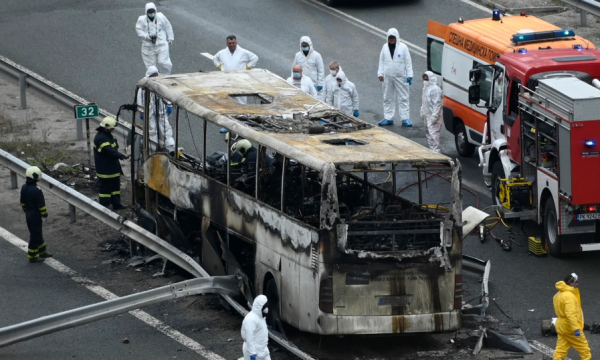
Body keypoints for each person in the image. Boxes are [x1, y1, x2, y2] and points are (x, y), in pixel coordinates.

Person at [377, 28, 414, 127]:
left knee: (403, 97)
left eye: (393, 37)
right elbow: (381, 61)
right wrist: (380, 74)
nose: (391, 39)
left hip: (401, 77)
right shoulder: (384, 47)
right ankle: (388, 118)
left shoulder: (403, 48)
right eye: (390, 37)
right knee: (387, 97)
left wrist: (409, 75)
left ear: (397, 37)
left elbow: (408, 62)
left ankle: (405, 118)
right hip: (388, 77)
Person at [93, 117, 130, 210]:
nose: (113, 130)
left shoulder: (108, 135)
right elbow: (110, 151)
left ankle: (116, 204)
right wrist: (121, 156)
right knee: (105, 189)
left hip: (112, 168)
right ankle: (104, 206)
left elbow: (114, 148)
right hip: (105, 169)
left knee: (115, 189)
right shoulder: (100, 138)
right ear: (107, 127)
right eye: (112, 128)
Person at [137, 66, 175, 152]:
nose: (154, 77)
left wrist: (169, 105)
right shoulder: (144, 84)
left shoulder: (160, 82)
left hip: (161, 108)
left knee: (165, 125)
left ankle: (170, 144)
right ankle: (153, 145)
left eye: (156, 75)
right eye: (153, 75)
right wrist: (141, 111)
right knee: (152, 127)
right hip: (149, 109)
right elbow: (140, 99)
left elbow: (166, 94)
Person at [553, 273, 591, 360]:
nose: (577, 284)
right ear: (571, 283)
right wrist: (576, 328)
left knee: (561, 349)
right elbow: (570, 314)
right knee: (583, 347)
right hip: (570, 326)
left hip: (561, 325)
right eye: (575, 282)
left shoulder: (558, 295)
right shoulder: (569, 296)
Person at [20, 166, 52, 263]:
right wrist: (45, 214)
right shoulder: (37, 190)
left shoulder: (23, 187)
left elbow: (22, 202)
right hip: (35, 215)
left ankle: (42, 251)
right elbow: (41, 206)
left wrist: (26, 211)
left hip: (28, 213)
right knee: (35, 235)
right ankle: (32, 255)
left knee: (37, 233)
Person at [136, 2, 174, 75]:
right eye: (149, 12)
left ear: (155, 11)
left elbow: (167, 26)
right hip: (148, 47)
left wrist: (170, 37)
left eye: (152, 12)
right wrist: (147, 36)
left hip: (161, 44)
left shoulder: (161, 17)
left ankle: (165, 76)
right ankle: (154, 80)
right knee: (151, 67)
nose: (151, 14)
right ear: (146, 12)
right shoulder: (141, 20)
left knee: (164, 62)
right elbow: (139, 30)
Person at [241, 295, 270, 360]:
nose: (267, 309)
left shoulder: (261, 317)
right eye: (265, 306)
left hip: (263, 349)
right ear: (260, 307)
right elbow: (249, 337)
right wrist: (252, 353)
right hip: (254, 352)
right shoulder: (251, 319)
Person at [421, 71, 443, 153]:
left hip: (433, 116)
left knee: (434, 134)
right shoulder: (425, 88)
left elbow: (437, 104)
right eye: (424, 77)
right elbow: (424, 101)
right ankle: (432, 150)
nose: (425, 79)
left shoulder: (435, 89)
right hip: (427, 114)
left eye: (426, 77)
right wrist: (422, 111)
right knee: (428, 133)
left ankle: (437, 152)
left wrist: (435, 116)